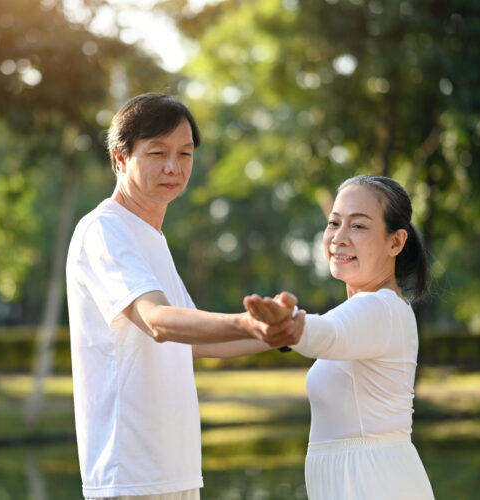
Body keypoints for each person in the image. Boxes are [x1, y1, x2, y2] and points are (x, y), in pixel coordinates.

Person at [65, 93, 304, 500]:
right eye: (157, 153)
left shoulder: (151, 239)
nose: (174, 167)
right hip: (129, 475)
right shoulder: (104, 229)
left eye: (185, 153)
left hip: (174, 472)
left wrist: (290, 332)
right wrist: (248, 321)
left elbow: (192, 342)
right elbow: (157, 321)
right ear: (119, 160)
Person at [196, 175, 435, 499]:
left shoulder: (381, 309)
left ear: (396, 242)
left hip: (376, 485)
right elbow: (251, 338)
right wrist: (171, 339)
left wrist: (293, 326)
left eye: (359, 226)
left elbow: (325, 334)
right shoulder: (362, 312)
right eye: (334, 223)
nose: (339, 237)